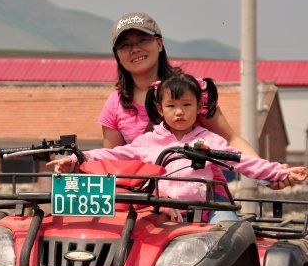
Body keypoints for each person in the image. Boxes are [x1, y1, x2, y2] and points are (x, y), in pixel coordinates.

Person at [50, 73, 308, 266]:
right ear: (159, 108)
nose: (179, 112)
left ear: (198, 106)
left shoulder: (209, 141)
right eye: (172, 105)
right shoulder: (148, 142)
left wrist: (279, 172)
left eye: (187, 104)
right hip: (166, 217)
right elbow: (113, 154)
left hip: (208, 214)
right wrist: (77, 160)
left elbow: (243, 162)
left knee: (236, 253)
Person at [102, 11, 291, 191]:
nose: (134, 49)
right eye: (125, 45)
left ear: (159, 43)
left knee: (227, 225)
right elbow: (112, 164)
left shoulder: (193, 90)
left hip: (203, 195)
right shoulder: (114, 104)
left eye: (142, 40)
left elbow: (230, 139)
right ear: (117, 53)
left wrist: (267, 175)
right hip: (149, 201)